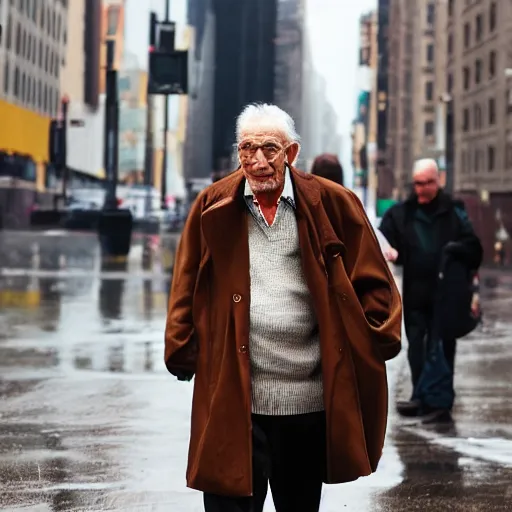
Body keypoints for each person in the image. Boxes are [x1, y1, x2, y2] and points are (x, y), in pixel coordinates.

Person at [165, 103, 402, 512]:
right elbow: (185, 283)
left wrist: (373, 337)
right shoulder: (212, 204)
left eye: (269, 149)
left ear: (290, 153)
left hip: (307, 405)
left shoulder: (332, 202)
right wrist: (181, 349)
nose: (257, 161)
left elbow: (375, 283)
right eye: (247, 149)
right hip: (234, 397)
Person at [379, 158, 483, 422]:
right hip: (416, 293)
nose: (422, 188)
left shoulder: (454, 211)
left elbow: (473, 247)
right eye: (418, 183)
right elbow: (380, 238)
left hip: (446, 294)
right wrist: (389, 250)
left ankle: (439, 400)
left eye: (428, 183)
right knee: (416, 346)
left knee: (443, 347)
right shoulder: (402, 213)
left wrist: (453, 253)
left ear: (439, 181)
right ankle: (421, 396)